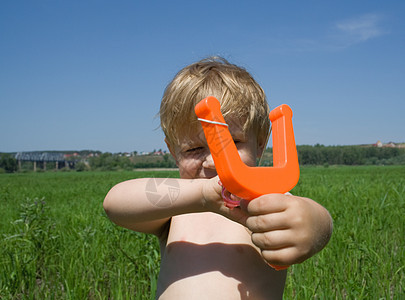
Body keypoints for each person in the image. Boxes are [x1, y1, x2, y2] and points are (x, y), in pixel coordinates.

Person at [103, 57, 333, 299]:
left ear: (260, 144)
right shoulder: (178, 210)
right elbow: (114, 203)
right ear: (173, 152)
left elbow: (319, 222)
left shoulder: (265, 203)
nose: (213, 161)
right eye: (193, 149)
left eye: (233, 142)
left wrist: (311, 223)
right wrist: (204, 195)